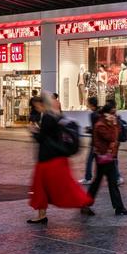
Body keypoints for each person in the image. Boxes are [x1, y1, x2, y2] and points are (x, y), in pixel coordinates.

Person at [28, 93, 92, 223]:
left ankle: (83, 203)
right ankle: (42, 215)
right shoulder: (56, 115)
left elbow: (42, 138)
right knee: (61, 186)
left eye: (36, 106)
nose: (36, 109)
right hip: (57, 158)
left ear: (42, 104)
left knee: (46, 187)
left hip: (48, 159)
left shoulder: (47, 117)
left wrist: (33, 132)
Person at [82, 103, 127, 216]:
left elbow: (118, 134)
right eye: (113, 113)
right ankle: (118, 208)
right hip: (104, 157)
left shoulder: (106, 123)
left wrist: (114, 124)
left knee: (102, 182)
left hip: (107, 157)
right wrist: (114, 124)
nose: (115, 115)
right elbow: (112, 137)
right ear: (106, 114)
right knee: (108, 183)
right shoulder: (101, 125)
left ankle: (86, 204)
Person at [81, 95, 100, 184]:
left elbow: (95, 129)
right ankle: (116, 177)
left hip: (95, 142)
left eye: (88, 103)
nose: (87, 105)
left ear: (91, 105)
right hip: (100, 141)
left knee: (89, 160)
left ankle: (88, 178)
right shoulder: (99, 112)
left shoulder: (93, 115)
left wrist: (88, 129)